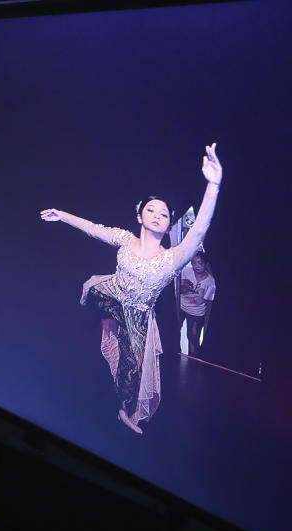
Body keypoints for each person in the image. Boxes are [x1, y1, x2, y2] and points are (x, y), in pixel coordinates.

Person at [40, 143, 222, 434]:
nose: (157, 215)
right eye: (150, 210)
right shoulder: (125, 239)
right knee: (92, 293)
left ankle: (125, 412)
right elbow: (93, 228)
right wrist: (62, 215)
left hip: (136, 315)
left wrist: (213, 185)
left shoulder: (173, 257)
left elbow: (199, 229)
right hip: (110, 293)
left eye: (163, 214)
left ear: (169, 224)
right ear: (139, 216)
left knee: (131, 370)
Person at [179, 251, 216, 356]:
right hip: (181, 308)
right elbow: (178, 290)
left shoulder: (210, 281)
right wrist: (183, 287)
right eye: (194, 263)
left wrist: (206, 318)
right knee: (175, 331)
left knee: (193, 338)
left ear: (205, 264)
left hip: (196, 313)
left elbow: (208, 301)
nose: (197, 266)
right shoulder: (186, 271)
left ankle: (193, 360)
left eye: (200, 263)